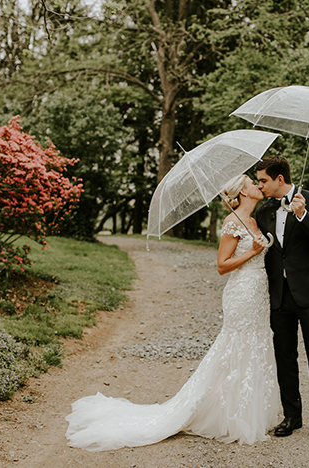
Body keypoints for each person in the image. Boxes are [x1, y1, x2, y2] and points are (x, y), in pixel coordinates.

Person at [65, 175, 280, 451]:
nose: (257, 186)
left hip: (259, 294)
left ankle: (249, 411)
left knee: (257, 344)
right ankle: (227, 417)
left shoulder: (254, 221)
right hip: (241, 294)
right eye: (252, 183)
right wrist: (251, 252)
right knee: (237, 346)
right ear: (242, 193)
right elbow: (222, 266)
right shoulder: (232, 223)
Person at [255, 155, 309, 448]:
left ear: (280, 179)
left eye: (263, 180)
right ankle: (292, 416)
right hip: (280, 296)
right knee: (285, 358)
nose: (259, 185)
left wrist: (304, 216)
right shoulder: (263, 210)